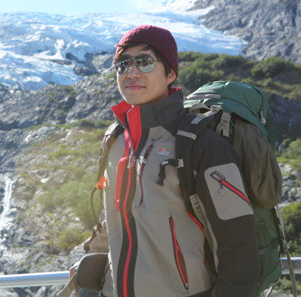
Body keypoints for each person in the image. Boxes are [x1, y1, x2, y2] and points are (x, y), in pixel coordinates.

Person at [73, 25, 260, 297]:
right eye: (122, 64)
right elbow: (111, 215)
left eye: (144, 62)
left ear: (170, 73)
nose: (131, 72)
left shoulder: (199, 145)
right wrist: (91, 259)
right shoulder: (116, 141)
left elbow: (238, 245)